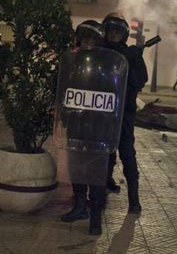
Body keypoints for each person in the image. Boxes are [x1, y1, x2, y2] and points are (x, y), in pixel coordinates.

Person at [60, 20, 108, 235]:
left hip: (99, 127)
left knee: (96, 173)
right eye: (85, 38)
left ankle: (95, 217)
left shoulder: (107, 64)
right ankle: (79, 207)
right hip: (77, 125)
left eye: (92, 38)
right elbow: (62, 87)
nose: (88, 42)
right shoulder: (72, 61)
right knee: (77, 169)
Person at [102, 12, 148, 214]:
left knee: (127, 153)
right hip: (102, 111)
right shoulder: (99, 51)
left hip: (124, 111)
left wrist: (134, 60)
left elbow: (140, 81)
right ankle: (101, 190)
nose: (113, 35)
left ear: (124, 34)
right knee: (104, 153)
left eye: (117, 32)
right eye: (110, 31)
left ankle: (134, 199)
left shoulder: (130, 53)